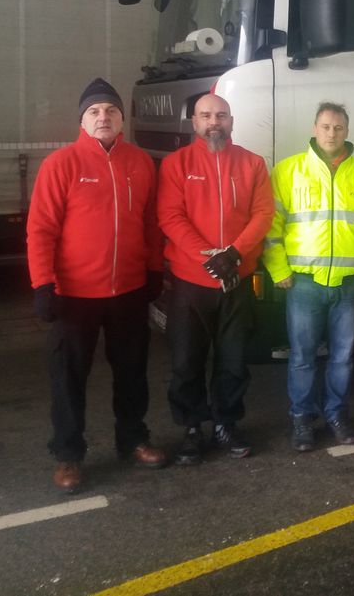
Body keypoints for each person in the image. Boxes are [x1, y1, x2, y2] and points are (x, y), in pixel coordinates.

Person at [27, 77, 167, 493]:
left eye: (110, 110)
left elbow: (150, 223)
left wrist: (154, 270)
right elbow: (40, 229)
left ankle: (133, 440)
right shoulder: (61, 164)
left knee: (132, 372)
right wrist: (42, 284)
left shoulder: (140, 163)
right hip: (74, 296)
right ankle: (68, 454)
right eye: (94, 111)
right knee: (68, 378)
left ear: (122, 119)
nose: (103, 116)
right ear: (82, 120)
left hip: (128, 290)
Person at [263, 102, 354, 451]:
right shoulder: (288, 171)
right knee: (302, 357)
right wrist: (278, 268)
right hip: (303, 283)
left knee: (343, 357)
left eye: (338, 127)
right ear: (314, 129)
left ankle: (337, 415)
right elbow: (271, 225)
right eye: (325, 126)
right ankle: (302, 419)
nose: (331, 133)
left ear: (347, 131)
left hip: (350, 284)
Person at [157, 93, 275, 465]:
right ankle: (192, 427)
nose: (214, 122)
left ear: (231, 121)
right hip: (191, 281)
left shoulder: (253, 163)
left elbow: (263, 214)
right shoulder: (177, 164)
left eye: (221, 115)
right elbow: (170, 216)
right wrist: (208, 257)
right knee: (186, 361)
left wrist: (234, 254)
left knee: (233, 361)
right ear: (194, 122)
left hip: (236, 280)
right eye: (206, 115)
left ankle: (226, 423)